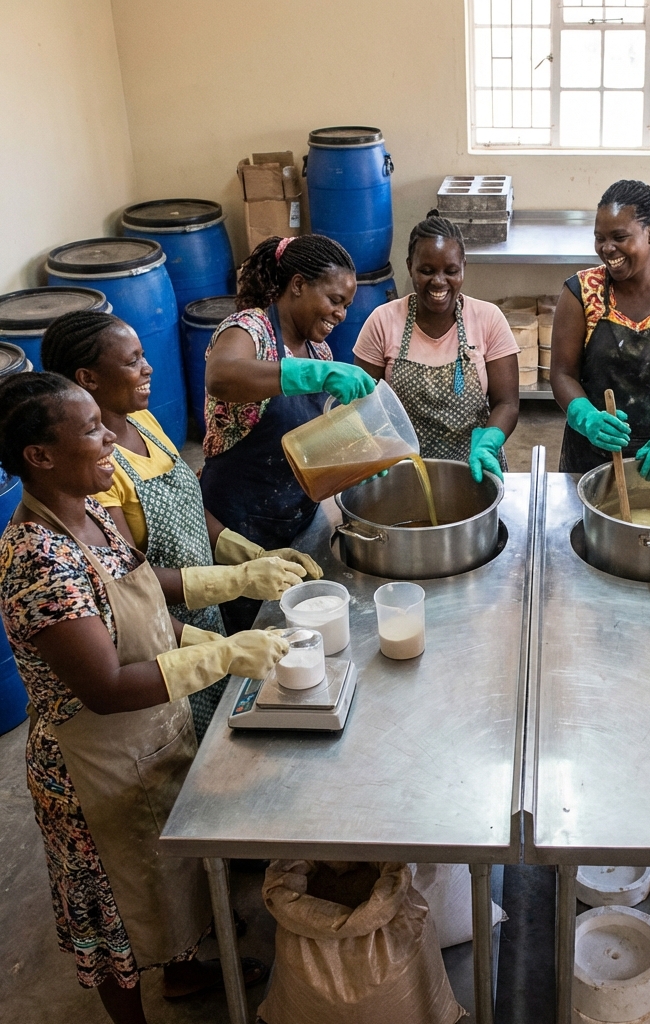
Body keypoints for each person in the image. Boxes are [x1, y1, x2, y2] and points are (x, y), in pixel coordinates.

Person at [0, 372, 289, 1023]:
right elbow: (103, 687)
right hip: (90, 769)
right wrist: (219, 657)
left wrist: (233, 578)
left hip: (151, 730)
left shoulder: (90, 505)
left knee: (171, 874)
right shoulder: (37, 561)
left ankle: (184, 972)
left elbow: (140, 592)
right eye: (93, 431)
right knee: (115, 916)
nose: (110, 439)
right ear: (39, 457)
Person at [40, 310, 322, 740]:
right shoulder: (93, 476)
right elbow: (131, 580)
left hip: (201, 617)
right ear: (88, 378)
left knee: (212, 736)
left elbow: (191, 511)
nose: (148, 368)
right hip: (156, 636)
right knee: (179, 741)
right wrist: (235, 587)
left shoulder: (143, 422)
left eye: (144, 356)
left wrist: (252, 556)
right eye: (132, 361)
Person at [202, 234, 375, 630]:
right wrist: (307, 375)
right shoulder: (250, 328)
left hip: (294, 522)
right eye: (334, 300)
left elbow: (309, 442)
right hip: (236, 525)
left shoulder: (320, 352)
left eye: (346, 306)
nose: (341, 315)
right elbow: (222, 376)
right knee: (250, 636)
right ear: (298, 285)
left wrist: (361, 450)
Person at [549, 179, 650, 477]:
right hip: (591, 455)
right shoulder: (581, 292)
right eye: (600, 238)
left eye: (620, 237)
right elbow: (562, 374)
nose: (607, 248)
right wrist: (586, 418)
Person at [353, 213, 520, 482]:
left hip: (474, 469)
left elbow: (507, 403)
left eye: (451, 271)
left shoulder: (488, 319)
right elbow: (363, 405)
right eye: (427, 271)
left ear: (463, 267)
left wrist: (489, 442)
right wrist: (374, 448)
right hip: (401, 470)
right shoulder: (382, 321)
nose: (439, 282)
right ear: (410, 267)